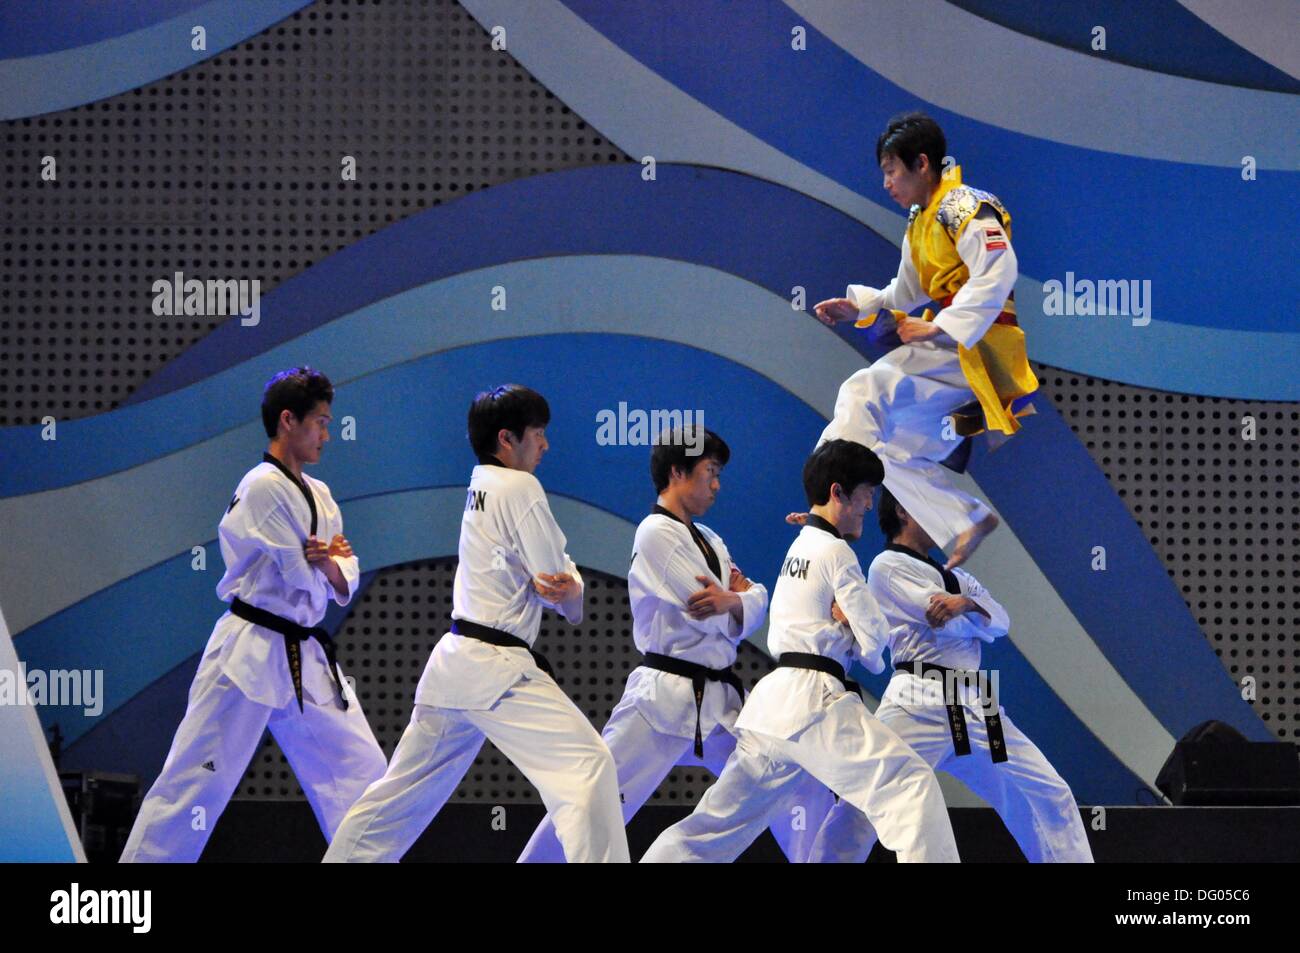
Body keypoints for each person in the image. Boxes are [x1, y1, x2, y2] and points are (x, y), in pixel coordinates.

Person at [323, 385, 628, 862]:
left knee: (395, 801)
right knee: (589, 769)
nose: (545, 444)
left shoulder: (481, 483)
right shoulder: (520, 486)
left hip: (454, 666)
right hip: (497, 670)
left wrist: (564, 587)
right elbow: (552, 577)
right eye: (538, 434)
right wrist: (574, 592)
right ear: (507, 439)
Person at [518, 428, 833, 862]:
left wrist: (735, 601)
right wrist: (736, 603)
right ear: (677, 472)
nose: (717, 484)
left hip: (719, 706)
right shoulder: (655, 533)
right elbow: (711, 615)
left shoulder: (710, 540)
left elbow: (753, 602)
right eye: (710, 472)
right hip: (662, 701)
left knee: (793, 776)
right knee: (592, 805)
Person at [641, 440, 959, 863]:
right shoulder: (838, 552)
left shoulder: (802, 545)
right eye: (865, 494)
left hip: (774, 708)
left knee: (714, 828)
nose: (868, 505)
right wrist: (852, 621)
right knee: (911, 783)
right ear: (837, 493)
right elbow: (875, 646)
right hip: (815, 703)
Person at [121, 367, 386, 862]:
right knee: (193, 784)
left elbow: (343, 569)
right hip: (249, 649)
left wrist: (329, 563)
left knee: (362, 777)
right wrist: (327, 565)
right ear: (288, 421)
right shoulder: (262, 486)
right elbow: (297, 570)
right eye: (320, 422)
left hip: (304, 654)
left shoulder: (321, 495)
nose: (328, 434)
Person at [806, 488, 1094, 862]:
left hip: (977, 702)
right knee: (864, 799)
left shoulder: (954, 575)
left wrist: (968, 604)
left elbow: (1002, 623)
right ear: (903, 512)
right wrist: (971, 613)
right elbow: (939, 618)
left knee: (1045, 793)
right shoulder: (886, 566)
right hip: (918, 700)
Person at [812, 111, 1038, 569]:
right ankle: (965, 517)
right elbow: (905, 291)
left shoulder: (963, 206)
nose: (887, 183)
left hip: (979, 346)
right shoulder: (922, 220)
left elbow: (999, 271)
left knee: (861, 391)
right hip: (957, 344)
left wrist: (939, 326)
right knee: (886, 447)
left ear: (921, 164)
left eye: (892, 171)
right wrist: (861, 307)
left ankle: (832, 505)